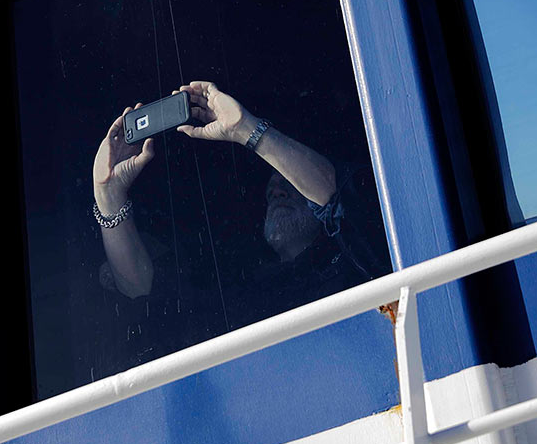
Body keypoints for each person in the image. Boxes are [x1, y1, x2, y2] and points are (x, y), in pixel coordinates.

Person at [91, 80, 387, 332]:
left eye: (288, 178)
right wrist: (108, 194)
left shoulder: (357, 257)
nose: (276, 187)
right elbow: (144, 292)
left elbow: (337, 199)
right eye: (272, 180)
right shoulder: (244, 290)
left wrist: (244, 129)